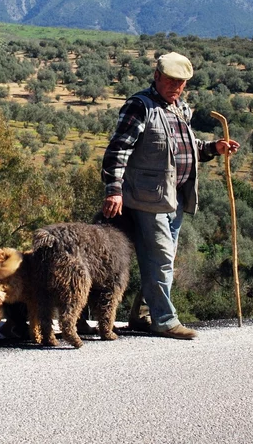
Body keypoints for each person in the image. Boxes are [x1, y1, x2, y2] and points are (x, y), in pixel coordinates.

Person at [101, 51, 239, 339]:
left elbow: (186, 147)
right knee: (162, 258)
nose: (176, 86)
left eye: (181, 82)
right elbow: (118, 149)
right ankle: (164, 320)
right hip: (146, 200)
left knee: (161, 259)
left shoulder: (180, 109)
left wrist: (214, 148)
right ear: (157, 77)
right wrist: (114, 190)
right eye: (171, 80)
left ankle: (142, 315)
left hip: (173, 199)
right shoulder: (140, 107)